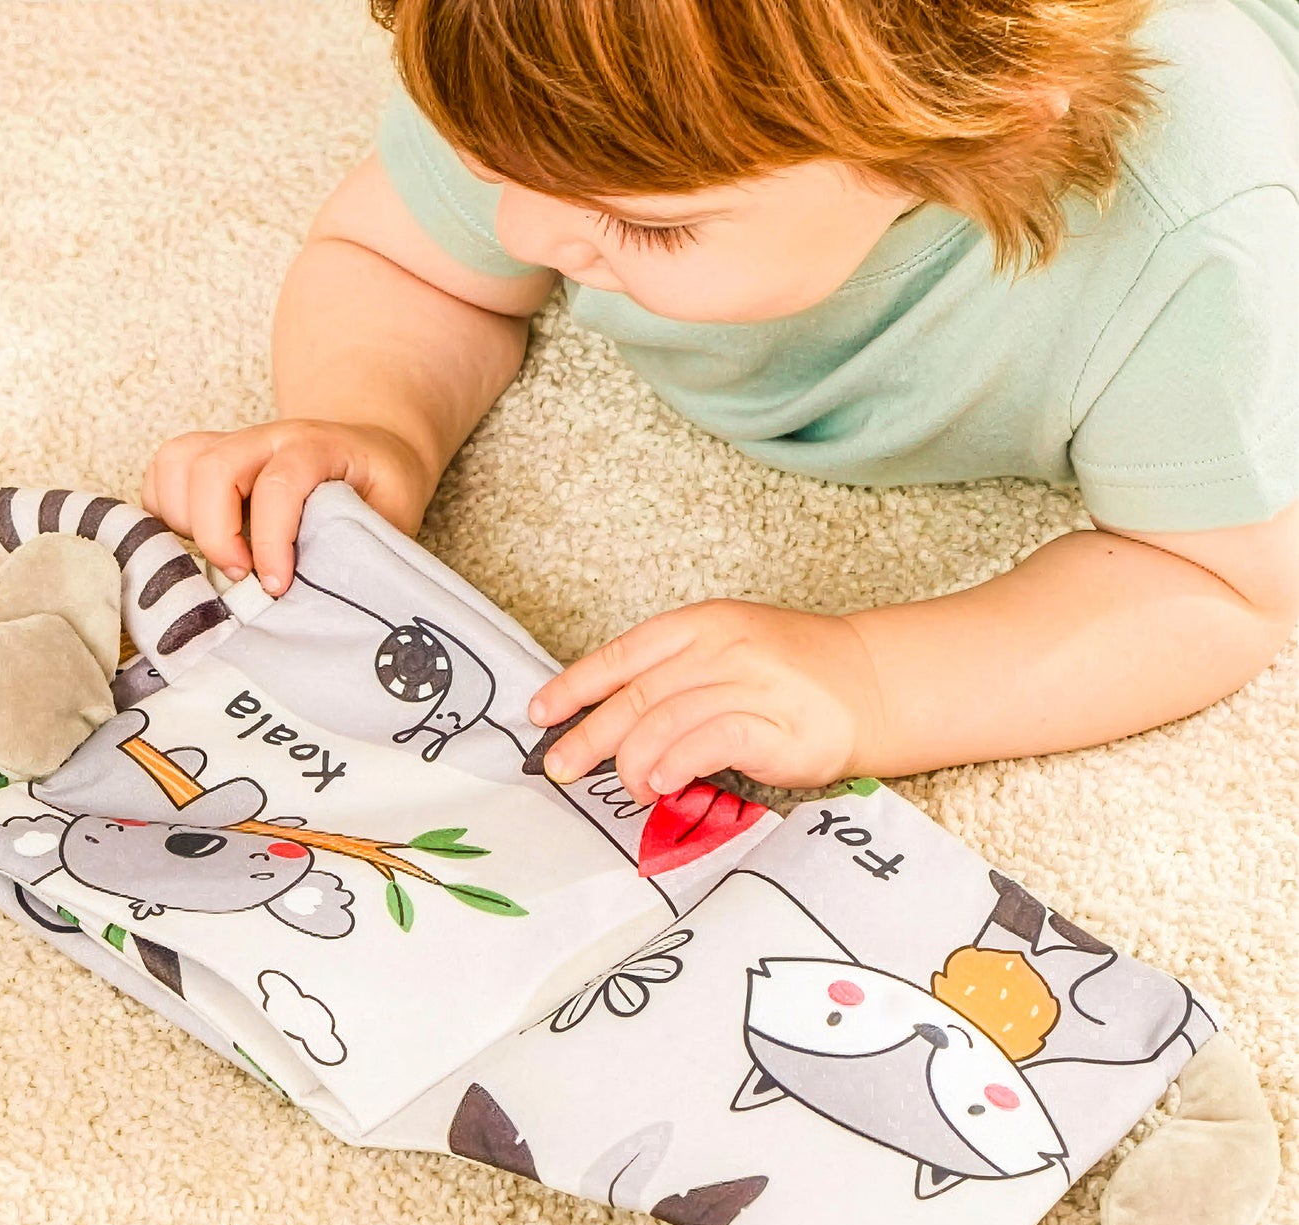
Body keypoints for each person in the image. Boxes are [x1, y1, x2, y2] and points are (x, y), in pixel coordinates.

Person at [141, 0, 1299, 804]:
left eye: (646, 223)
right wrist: (369, 417)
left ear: (967, 141)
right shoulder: (535, 76)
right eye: (487, 166)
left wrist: (869, 680)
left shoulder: (1200, 244)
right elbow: (399, 263)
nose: (521, 236)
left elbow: (1212, 583)